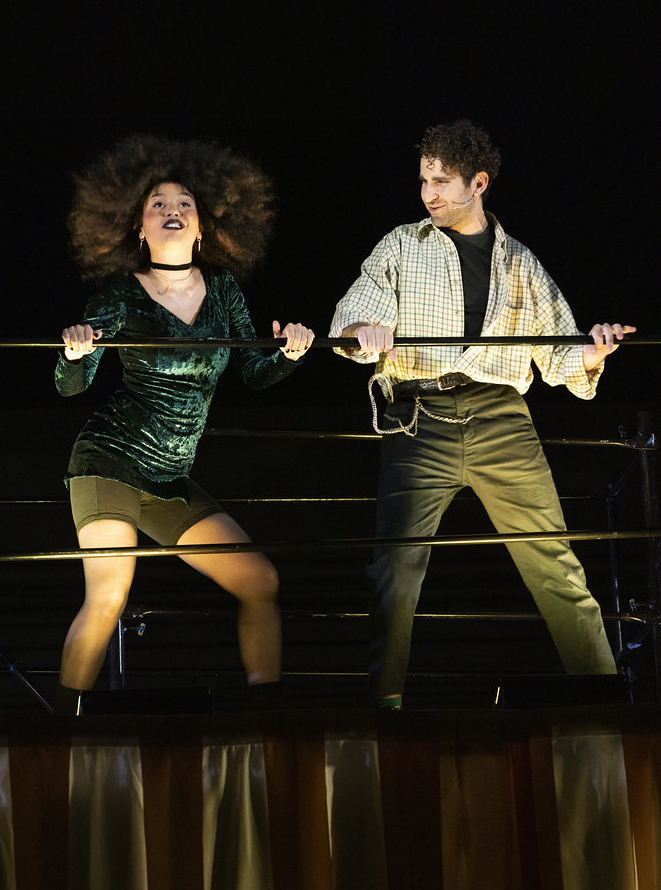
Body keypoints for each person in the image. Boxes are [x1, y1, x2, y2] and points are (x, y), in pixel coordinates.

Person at [329, 118, 635, 709]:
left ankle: (607, 706)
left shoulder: (519, 261)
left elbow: (560, 354)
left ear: (479, 183)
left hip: (501, 419)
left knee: (556, 566)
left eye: (442, 181)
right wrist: (360, 330)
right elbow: (355, 316)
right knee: (395, 571)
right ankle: (382, 713)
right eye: (424, 181)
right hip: (421, 418)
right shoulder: (400, 245)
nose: (429, 194)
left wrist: (592, 351)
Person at [54, 134, 314, 713]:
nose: (173, 210)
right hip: (109, 463)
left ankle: (266, 725)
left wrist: (289, 355)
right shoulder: (120, 294)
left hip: (169, 479)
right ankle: (61, 736)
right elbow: (69, 385)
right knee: (110, 592)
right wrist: (73, 355)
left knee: (260, 581)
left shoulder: (223, 291)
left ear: (202, 228)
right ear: (138, 230)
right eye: (158, 204)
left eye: (185, 204)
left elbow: (255, 372)